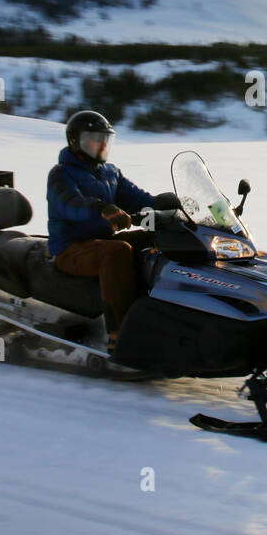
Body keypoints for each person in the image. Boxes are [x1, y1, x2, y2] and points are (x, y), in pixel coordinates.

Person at [47, 111, 176, 354]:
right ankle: (120, 333)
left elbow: (138, 199)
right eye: (95, 138)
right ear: (76, 141)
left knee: (156, 239)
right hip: (70, 248)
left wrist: (166, 204)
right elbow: (71, 205)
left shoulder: (110, 173)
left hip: (101, 242)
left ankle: (161, 311)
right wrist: (102, 208)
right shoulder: (61, 174)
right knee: (118, 251)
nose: (103, 144)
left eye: (106, 138)